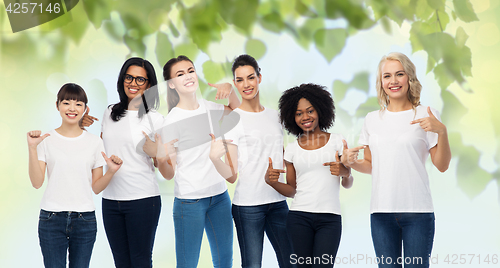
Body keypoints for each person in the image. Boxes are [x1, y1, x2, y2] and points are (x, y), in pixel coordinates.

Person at [342, 52, 451, 268]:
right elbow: (371, 165)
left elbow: (442, 165)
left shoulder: (426, 114)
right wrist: (350, 161)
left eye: (399, 74)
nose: (393, 81)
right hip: (381, 212)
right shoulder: (372, 119)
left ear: (409, 78)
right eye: (387, 76)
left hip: (417, 212)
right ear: (381, 82)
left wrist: (442, 132)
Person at [208, 54, 295, 268]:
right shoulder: (232, 120)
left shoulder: (276, 116)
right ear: (236, 83)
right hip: (248, 206)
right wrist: (214, 158)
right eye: (239, 80)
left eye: (250, 77)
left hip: (277, 202)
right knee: (252, 265)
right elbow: (232, 175)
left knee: (292, 262)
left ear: (259, 78)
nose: (246, 84)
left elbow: (282, 157)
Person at [27, 83, 122, 268]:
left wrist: (110, 171)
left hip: (84, 220)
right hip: (51, 219)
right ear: (57, 106)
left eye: (78, 104)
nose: (72, 108)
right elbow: (37, 183)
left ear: (85, 109)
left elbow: (96, 188)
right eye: (67, 102)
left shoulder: (95, 142)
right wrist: (32, 147)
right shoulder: (45, 140)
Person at [159, 55, 240, 268]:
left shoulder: (212, 108)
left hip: (220, 198)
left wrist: (230, 91)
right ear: (171, 84)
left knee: (225, 263)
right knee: (187, 265)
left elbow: (240, 114)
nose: (188, 76)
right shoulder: (172, 121)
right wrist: (161, 156)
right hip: (189, 202)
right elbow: (168, 174)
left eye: (190, 70)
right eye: (180, 74)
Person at [270, 83, 353, 268]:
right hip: (299, 217)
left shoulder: (338, 141)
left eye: (310, 111)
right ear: (292, 117)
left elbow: (348, 183)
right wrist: (272, 182)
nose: (305, 117)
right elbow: (292, 191)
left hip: (329, 218)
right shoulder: (291, 149)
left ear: (320, 110)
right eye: (299, 113)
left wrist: (345, 172)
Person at [100, 57, 165, 268]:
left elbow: (165, 166)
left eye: (140, 80)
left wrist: (156, 154)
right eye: (129, 77)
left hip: (142, 199)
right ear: (122, 79)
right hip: (110, 199)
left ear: (149, 85)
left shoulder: (155, 119)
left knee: (140, 261)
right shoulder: (109, 112)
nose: (133, 83)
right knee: (121, 262)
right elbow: (102, 146)